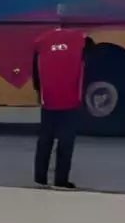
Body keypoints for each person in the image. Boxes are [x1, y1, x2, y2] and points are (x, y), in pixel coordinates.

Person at [32, 26, 88, 190]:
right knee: (66, 141)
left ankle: (40, 177)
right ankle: (61, 179)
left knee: (45, 139)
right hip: (70, 99)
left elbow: (36, 73)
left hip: (48, 98)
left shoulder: (42, 41)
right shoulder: (81, 40)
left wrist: (40, 93)